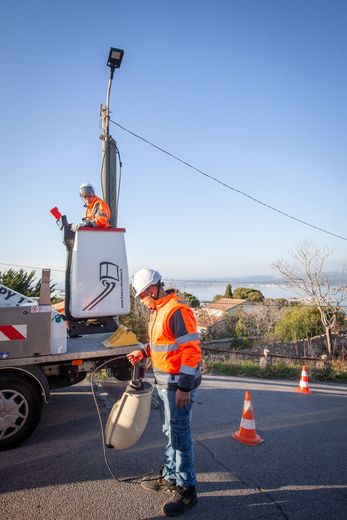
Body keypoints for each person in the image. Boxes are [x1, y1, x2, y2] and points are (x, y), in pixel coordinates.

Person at [127, 268, 202, 517]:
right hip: (163, 384)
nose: (141, 301)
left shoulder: (176, 311)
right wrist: (143, 352)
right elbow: (162, 343)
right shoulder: (158, 312)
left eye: (141, 297)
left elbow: (191, 351)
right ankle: (170, 477)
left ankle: (187, 488)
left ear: (152, 290)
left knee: (180, 436)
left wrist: (184, 387)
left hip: (176, 386)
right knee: (170, 431)